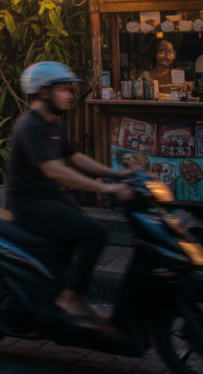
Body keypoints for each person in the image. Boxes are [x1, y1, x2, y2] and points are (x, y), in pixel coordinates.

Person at [9, 61, 133, 327]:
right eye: (63, 89)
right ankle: (70, 299)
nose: (69, 95)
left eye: (69, 89)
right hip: (30, 204)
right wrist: (107, 188)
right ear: (44, 91)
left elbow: (75, 158)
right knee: (94, 233)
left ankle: (51, 294)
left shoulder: (51, 122)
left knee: (78, 234)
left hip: (51, 198)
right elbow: (55, 170)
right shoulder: (30, 125)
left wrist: (116, 174)